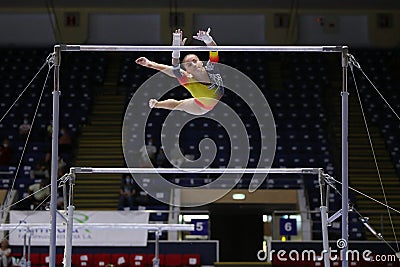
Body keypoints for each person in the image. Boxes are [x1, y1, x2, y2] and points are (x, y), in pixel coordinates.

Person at [135, 28, 224, 115]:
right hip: (201, 107)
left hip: (211, 98)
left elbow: (214, 50)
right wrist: (176, 50)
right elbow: (175, 68)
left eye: (194, 61)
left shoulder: (211, 68)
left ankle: (150, 64)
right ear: (188, 71)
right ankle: (157, 104)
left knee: (176, 75)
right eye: (189, 65)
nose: (193, 64)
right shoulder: (189, 81)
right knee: (179, 105)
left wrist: (207, 39)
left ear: (201, 62)